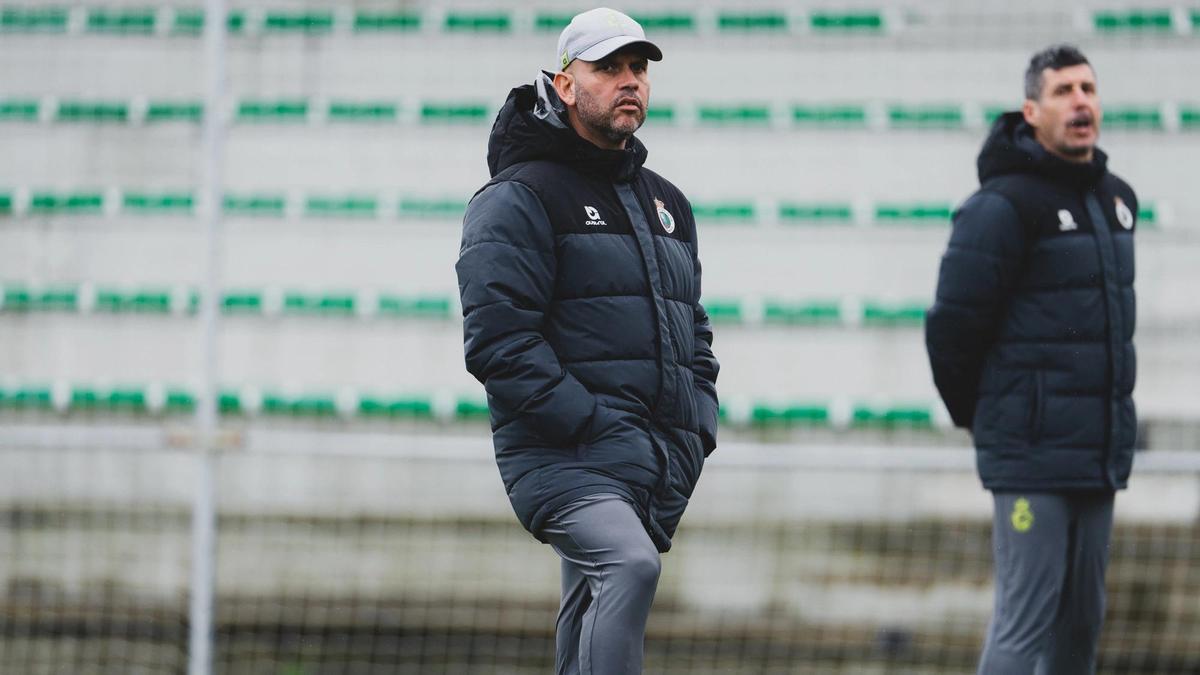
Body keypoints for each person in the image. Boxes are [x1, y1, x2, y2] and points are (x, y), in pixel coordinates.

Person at [455, 8, 719, 674]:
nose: (630, 81)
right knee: (628, 565)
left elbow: (694, 328)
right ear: (565, 85)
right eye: (609, 68)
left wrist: (699, 423)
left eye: (638, 68)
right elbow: (497, 343)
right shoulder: (517, 197)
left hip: (648, 453)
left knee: (591, 601)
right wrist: (593, 425)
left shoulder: (668, 203)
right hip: (562, 451)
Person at [925, 44, 1137, 674]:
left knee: (1081, 627)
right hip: (1030, 459)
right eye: (1064, 91)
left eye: (1088, 89)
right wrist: (992, 421)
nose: (1081, 101)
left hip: (1096, 453)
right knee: (1024, 625)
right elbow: (952, 330)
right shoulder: (1001, 206)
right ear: (1032, 111)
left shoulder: (1116, 200)